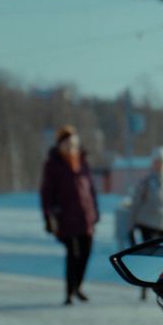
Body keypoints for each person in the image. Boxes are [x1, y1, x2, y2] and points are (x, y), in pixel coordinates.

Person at [41, 124, 100, 305]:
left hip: (84, 215)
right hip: (64, 217)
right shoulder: (53, 164)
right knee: (72, 253)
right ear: (60, 145)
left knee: (86, 251)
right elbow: (46, 192)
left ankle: (78, 286)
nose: (71, 147)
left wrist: (95, 212)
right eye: (67, 143)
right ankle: (69, 292)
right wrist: (48, 216)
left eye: (73, 143)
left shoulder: (82, 162)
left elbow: (90, 189)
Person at [126, 146, 163, 244]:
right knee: (152, 255)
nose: (160, 165)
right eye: (157, 161)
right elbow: (135, 204)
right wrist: (130, 227)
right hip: (149, 226)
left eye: (162, 161)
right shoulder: (146, 183)